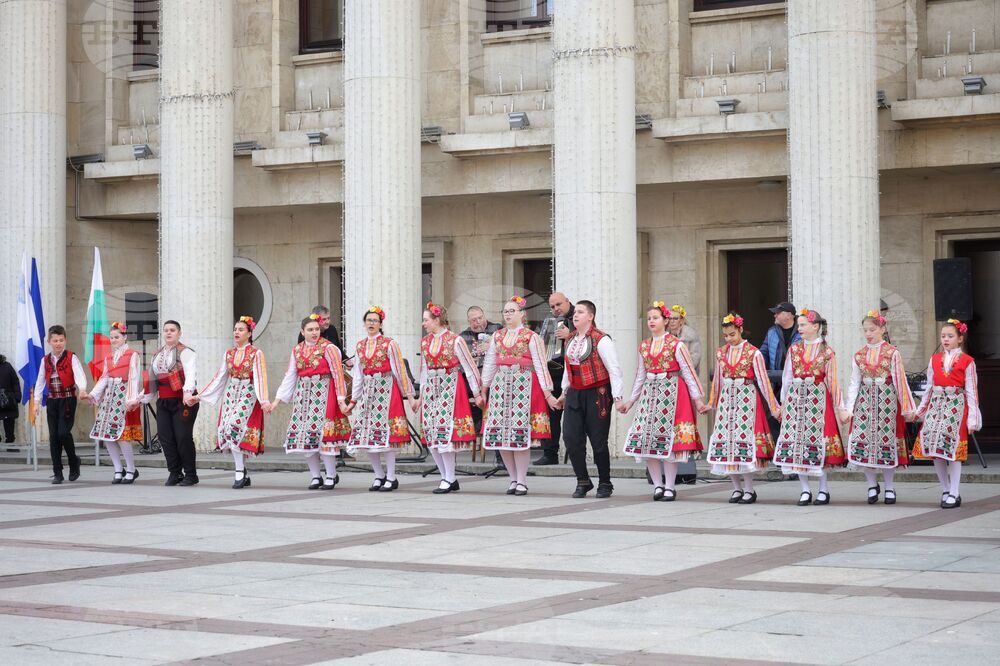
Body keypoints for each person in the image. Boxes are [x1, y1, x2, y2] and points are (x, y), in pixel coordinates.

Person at [620, 302, 707, 501]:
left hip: (672, 393)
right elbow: (640, 375)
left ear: (665, 321)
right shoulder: (644, 345)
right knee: (647, 441)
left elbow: (688, 372)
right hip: (650, 395)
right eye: (649, 318)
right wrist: (631, 401)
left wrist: (698, 400)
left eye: (656, 318)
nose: (651, 321)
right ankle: (657, 485)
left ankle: (670, 486)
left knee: (669, 442)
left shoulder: (677, 345)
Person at [481, 295, 558, 496]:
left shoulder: (531, 337)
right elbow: (490, 362)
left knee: (519, 435)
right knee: (502, 437)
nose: (508, 314)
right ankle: (512, 479)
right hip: (500, 388)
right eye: (505, 311)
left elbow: (541, 365)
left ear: (522, 314)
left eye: (512, 311)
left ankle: (522, 480)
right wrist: (482, 388)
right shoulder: (497, 336)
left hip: (523, 386)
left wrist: (548, 392)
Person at [838, 310, 915, 505]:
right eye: (865, 330)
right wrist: (848, 408)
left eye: (872, 329)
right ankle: (872, 484)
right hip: (865, 403)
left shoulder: (892, 353)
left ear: (882, 329)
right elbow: (854, 382)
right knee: (864, 442)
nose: (868, 333)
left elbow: (900, 381)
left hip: (887, 403)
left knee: (885, 443)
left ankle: (889, 486)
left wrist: (907, 407)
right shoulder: (859, 355)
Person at [705, 313, 781, 504]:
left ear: (740, 330)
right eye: (726, 336)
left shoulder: (753, 353)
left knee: (743, 443)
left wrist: (774, 407)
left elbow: (763, 381)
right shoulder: (721, 352)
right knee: (727, 444)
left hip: (746, 398)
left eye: (732, 334)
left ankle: (749, 489)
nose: (729, 339)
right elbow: (718, 381)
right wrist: (712, 403)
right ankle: (736, 488)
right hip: (727, 400)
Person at [774, 308, 846, 506]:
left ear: (816, 327)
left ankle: (823, 489)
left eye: (804, 325)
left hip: (817, 401)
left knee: (819, 444)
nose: (800, 328)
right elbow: (787, 377)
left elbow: (833, 382)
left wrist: (841, 407)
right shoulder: (794, 349)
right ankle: (805, 490)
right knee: (797, 445)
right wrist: (783, 403)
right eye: (799, 325)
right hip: (796, 401)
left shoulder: (827, 352)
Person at [270, 315, 352, 489]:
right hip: (304, 397)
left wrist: (341, 399)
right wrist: (277, 400)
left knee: (325, 435)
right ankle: (315, 476)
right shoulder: (297, 350)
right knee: (306, 436)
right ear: (302, 332)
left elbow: (338, 374)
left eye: (316, 329)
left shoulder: (328, 348)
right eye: (310, 330)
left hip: (325, 393)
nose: (314, 332)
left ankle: (331, 475)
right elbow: (291, 375)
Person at [911, 319, 982, 509]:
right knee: (936, 449)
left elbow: (972, 391)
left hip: (956, 406)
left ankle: (955, 491)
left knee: (952, 452)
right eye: (943, 336)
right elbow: (929, 387)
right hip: (936, 405)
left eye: (950, 336)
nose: (946, 339)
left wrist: (973, 419)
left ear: (960, 338)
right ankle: (945, 488)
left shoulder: (968, 362)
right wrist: (920, 411)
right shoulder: (934, 359)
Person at [415, 302, 484, 493]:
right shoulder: (425, 342)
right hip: (431, 390)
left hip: (450, 387)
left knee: (446, 433)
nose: (424, 324)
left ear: (437, 320)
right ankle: (445, 476)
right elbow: (424, 370)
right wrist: (420, 396)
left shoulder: (455, 340)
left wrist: (477, 393)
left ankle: (450, 477)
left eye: (426, 320)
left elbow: (469, 368)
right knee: (432, 434)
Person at [558, 300, 624, 499]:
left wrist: (618, 397)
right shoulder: (569, 340)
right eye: (575, 312)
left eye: (580, 312)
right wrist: (563, 392)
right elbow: (567, 370)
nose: (575, 315)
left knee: (598, 441)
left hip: (598, 393)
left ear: (590, 316)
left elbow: (614, 370)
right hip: (575, 393)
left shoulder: (601, 339)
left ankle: (605, 482)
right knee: (570, 437)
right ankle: (583, 481)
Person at [347, 306, 417, 491]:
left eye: (375, 321)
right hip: (369, 391)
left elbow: (399, 370)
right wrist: (354, 399)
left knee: (387, 437)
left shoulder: (389, 343)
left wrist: (409, 394)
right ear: (364, 323)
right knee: (368, 437)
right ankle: (378, 475)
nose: (371, 323)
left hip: (387, 388)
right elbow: (358, 375)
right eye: (369, 320)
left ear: (380, 324)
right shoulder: (360, 345)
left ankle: (391, 476)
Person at [196, 317, 269, 489]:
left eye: (241, 329)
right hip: (231, 394)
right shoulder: (228, 353)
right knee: (227, 430)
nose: (236, 332)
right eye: (235, 329)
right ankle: (242, 471)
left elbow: (260, 377)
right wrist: (200, 396)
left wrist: (264, 400)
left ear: (249, 333)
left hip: (248, 393)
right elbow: (220, 377)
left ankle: (238, 472)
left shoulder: (256, 353)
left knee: (233, 426)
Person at [143, 320, 199, 486]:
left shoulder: (186, 352)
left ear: (179, 333)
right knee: (165, 438)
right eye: (166, 330)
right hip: (164, 401)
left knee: (182, 437)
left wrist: (187, 393)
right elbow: (152, 383)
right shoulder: (157, 355)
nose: (168, 333)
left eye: (172, 330)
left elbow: (191, 375)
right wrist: (140, 399)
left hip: (183, 401)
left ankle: (190, 474)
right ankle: (175, 472)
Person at [86, 322, 143, 484]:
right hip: (109, 399)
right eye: (111, 338)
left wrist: (131, 400)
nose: (113, 340)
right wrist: (93, 395)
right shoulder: (109, 357)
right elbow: (104, 378)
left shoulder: (133, 355)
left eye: (117, 337)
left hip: (123, 398)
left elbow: (133, 377)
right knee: (107, 436)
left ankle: (131, 469)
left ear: (125, 337)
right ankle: (118, 468)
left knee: (123, 437)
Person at [33, 325, 88, 484]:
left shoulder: (71, 357)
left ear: (65, 340)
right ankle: (57, 472)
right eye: (55, 340)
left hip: (68, 399)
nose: (58, 343)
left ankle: (73, 462)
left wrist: (82, 389)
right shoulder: (45, 360)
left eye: (61, 340)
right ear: (49, 341)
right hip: (52, 401)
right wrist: (36, 402)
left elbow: (79, 375)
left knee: (63, 432)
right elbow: (40, 381)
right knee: (54, 437)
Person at [535, 292, 574, 465]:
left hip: (573, 376)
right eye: (552, 307)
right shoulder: (549, 322)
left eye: (559, 304)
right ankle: (549, 453)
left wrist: (570, 334)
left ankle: (575, 453)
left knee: (573, 418)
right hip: (553, 374)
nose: (556, 309)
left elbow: (590, 339)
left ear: (568, 302)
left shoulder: (580, 316)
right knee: (551, 416)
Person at [760, 301, 801, 438]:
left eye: (778, 313)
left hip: (797, 383)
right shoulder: (771, 332)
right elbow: (764, 352)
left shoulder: (801, 332)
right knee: (775, 417)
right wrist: (758, 367)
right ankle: (777, 450)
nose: (774, 316)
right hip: (776, 383)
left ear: (789, 315)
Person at [458, 305, 501, 435]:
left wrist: (492, 346)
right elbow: (461, 362)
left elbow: (508, 350)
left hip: (494, 376)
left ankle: (490, 429)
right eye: (473, 320)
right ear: (468, 322)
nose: (478, 322)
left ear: (484, 316)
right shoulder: (463, 336)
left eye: (480, 318)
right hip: (474, 377)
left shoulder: (498, 329)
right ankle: (475, 431)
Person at [667, 304, 702, 373]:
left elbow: (695, 358)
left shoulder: (690, 335)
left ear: (681, 321)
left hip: (686, 375)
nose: (672, 321)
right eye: (670, 318)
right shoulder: (665, 334)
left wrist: (681, 373)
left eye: (675, 318)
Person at [0, 353, 21, 444]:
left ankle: (10, 442)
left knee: (9, 421)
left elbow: (15, 382)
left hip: (8, 399)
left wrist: (17, 397)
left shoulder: (7, 366)